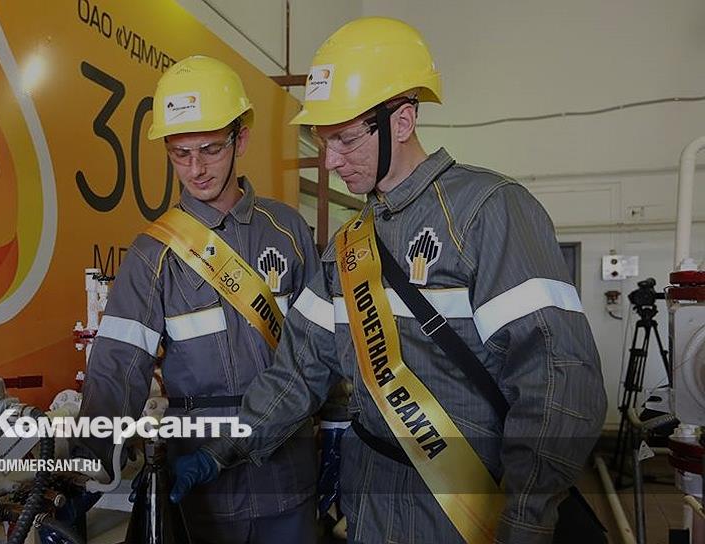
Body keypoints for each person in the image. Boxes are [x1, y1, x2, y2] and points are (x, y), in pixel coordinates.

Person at [170, 18, 607, 544]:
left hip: (466, 510)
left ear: (402, 121)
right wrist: (220, 452)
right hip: (371, 502)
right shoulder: (345, 249)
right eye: (323, 141)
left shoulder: (489, 213)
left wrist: (527, 518)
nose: (330, 161)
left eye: (345, 139)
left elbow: (558, 378)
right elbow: (296, 373)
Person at [76, 55, 320, 543]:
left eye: (210, 149)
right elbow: (117, 368)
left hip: (286, 478)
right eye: (180, 154)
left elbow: (319, 352)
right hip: (202, 486)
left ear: (240, 140)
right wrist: (87, 462)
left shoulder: (288, 232)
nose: (196, 168)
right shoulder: (152, 254)